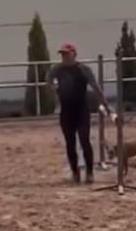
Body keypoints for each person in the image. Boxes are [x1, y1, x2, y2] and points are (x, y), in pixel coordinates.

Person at [46, 43, 113, 184]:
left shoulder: (83, 69)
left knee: (84, 141)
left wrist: (106, 105)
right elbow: (48, 80)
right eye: (62, 54)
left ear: (74, 54)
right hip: (66, 111)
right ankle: (75, 172)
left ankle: (89, 172)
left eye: (66, 53)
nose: (64, 57)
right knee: (70, 143)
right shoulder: (57, 69)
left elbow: (96, 87)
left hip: (81, 110)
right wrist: (54, 89)